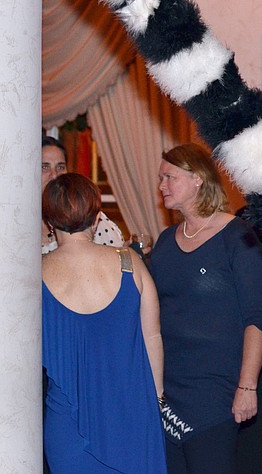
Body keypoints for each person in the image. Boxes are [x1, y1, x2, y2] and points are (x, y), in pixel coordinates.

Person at [149, 143, 262, 474]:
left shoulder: (238, 237)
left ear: (198, 179)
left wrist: (247, 386)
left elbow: (257, 318)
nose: (161, 185)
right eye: (161, 178)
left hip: (215, 393)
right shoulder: (164, 242)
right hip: (167, 392)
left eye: (169, 177)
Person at [42, 173, 166, 473]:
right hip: (131, 413)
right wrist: (157, 399)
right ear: (97, 219)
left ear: (49, 223)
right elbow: (153, 338)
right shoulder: (129, 263)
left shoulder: (34, 274)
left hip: (66, 425)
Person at [42, 136, 124, 254]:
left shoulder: (88, 216)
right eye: (45, 167)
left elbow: (115, 260)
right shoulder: (16, 221)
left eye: (60, 167)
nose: (54, 175)